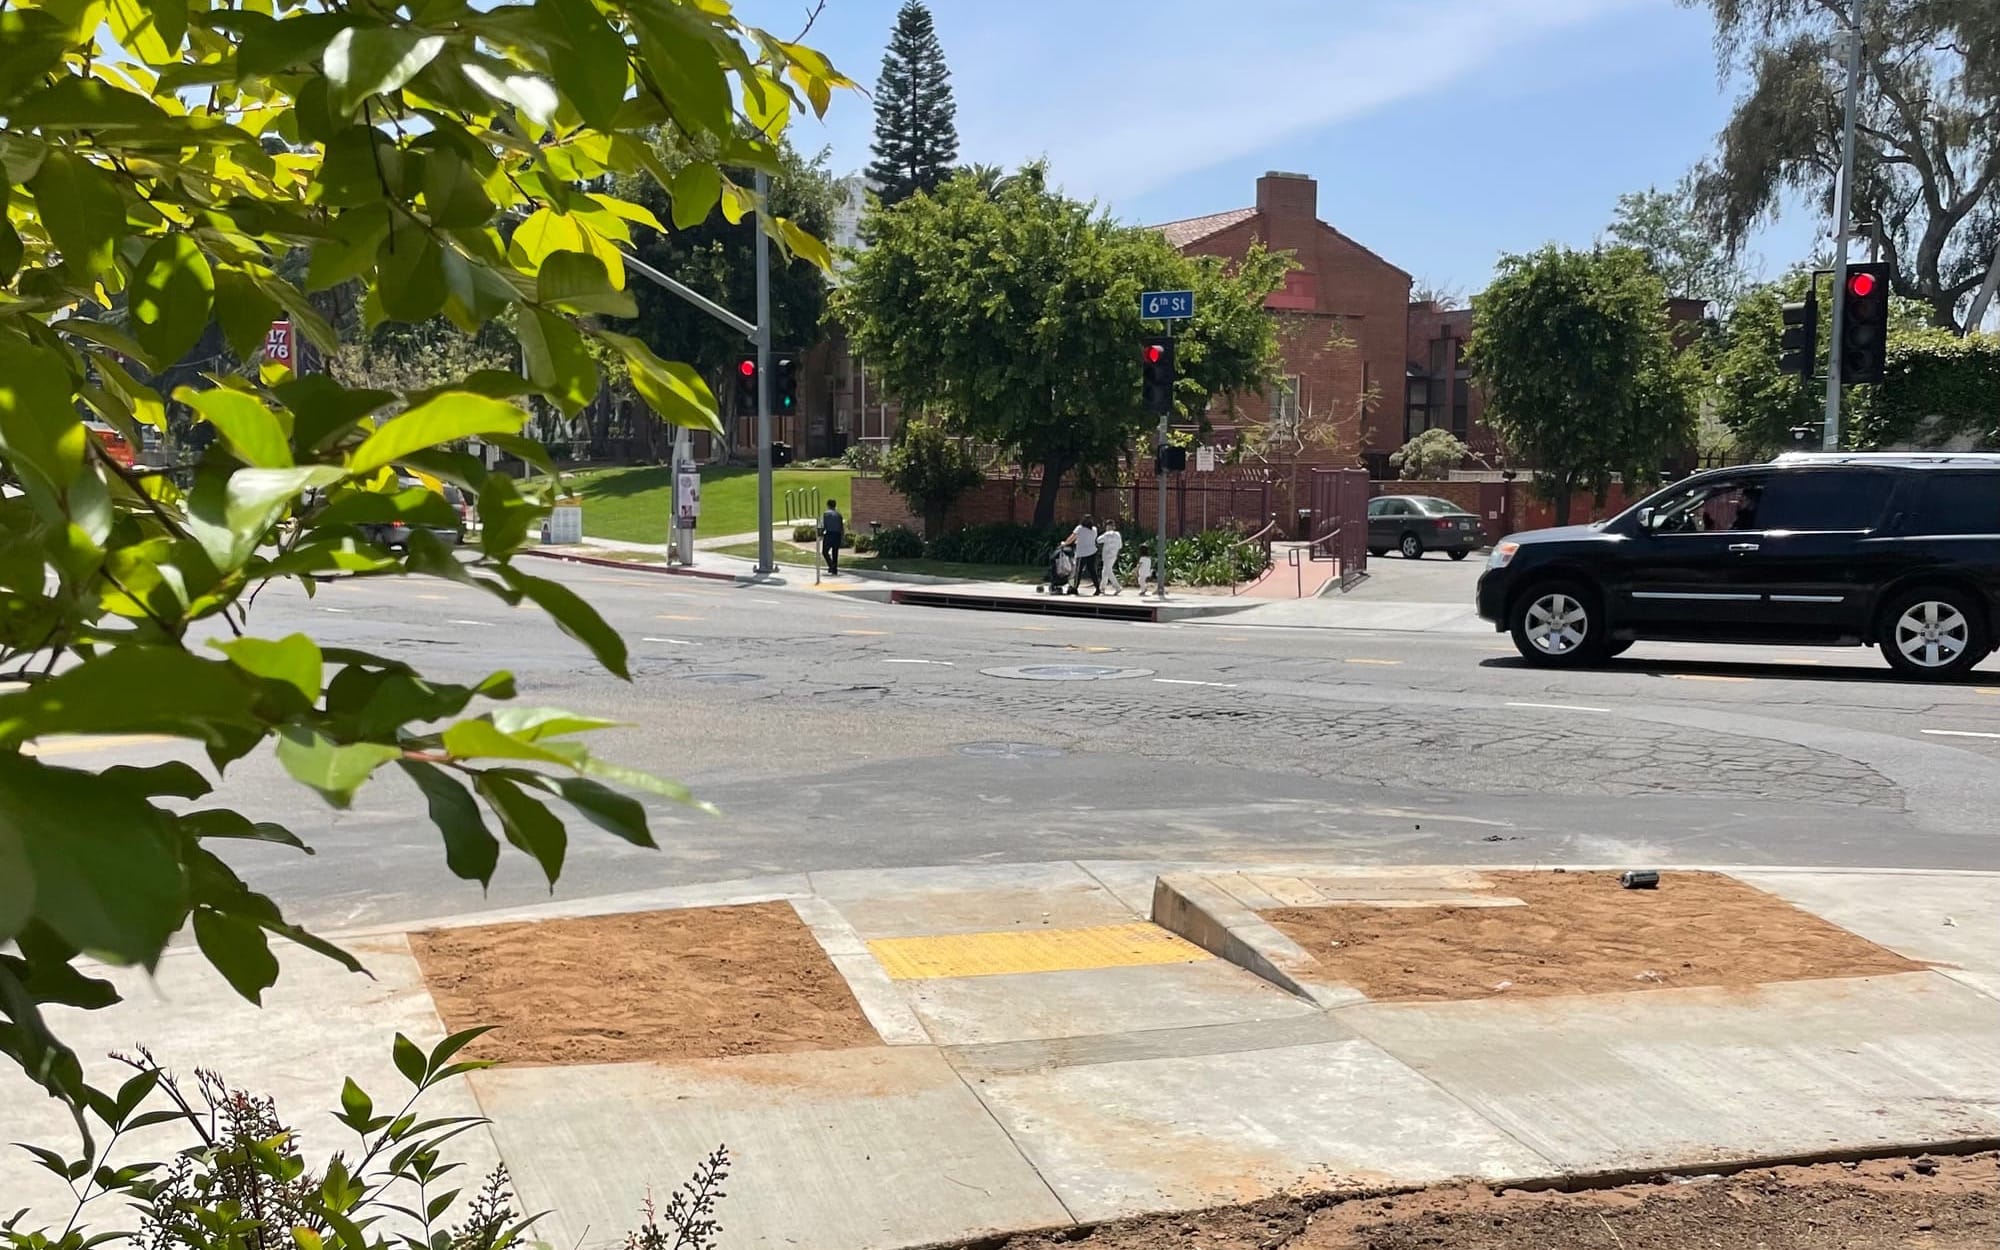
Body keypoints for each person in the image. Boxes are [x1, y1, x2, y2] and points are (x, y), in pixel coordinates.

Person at [1064, 514, 1100, 595]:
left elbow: (1072, 538)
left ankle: (1075, 588)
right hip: (1092, 552)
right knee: (1092, 571)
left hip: (1082, 553)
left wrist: (1065, 543)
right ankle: (1097, 588)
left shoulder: (1079, 528)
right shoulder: (1094, 529)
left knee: (1078, 572)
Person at [1098, 519, 1124, 595]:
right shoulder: (1118, 534)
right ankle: (1102, 588)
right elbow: (1120, 546)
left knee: (1108, 571)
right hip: (1113, 555)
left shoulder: (1106, 534)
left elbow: (1098, 540)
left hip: (1106, 555)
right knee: (1105, 571)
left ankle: (1117, 587)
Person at [819, 499, 845, 575]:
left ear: (828, 505)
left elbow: (823, 525)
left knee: (825, 551)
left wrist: (820, 533)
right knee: (835, 552)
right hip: (837, 535)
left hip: (829, 534)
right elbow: (841, 527)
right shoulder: (839, 515)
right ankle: (834, 568)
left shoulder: (826, 514)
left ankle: (831, 565)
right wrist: (842, 537)